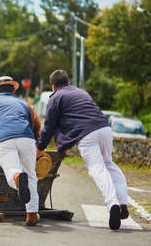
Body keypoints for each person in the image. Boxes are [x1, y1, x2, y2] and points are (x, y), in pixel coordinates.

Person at [36, 69, 128, 230]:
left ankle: (113, 204)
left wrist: (39, 148)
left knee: (97, 169)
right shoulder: (81, 92)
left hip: (87, 135)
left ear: (53, 86)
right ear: (68, 82)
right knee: (109, 165)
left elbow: (48, 127)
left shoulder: (55, 97)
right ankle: (122, 202)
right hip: (104, 129)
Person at [0, 76, 41, 226]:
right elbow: (32, 124)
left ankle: (18, 177)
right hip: (27, 138)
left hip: (4, 140)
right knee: (31, 175)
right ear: (13, 89)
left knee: (12, 171)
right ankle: (31, 214)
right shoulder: (23, 103)